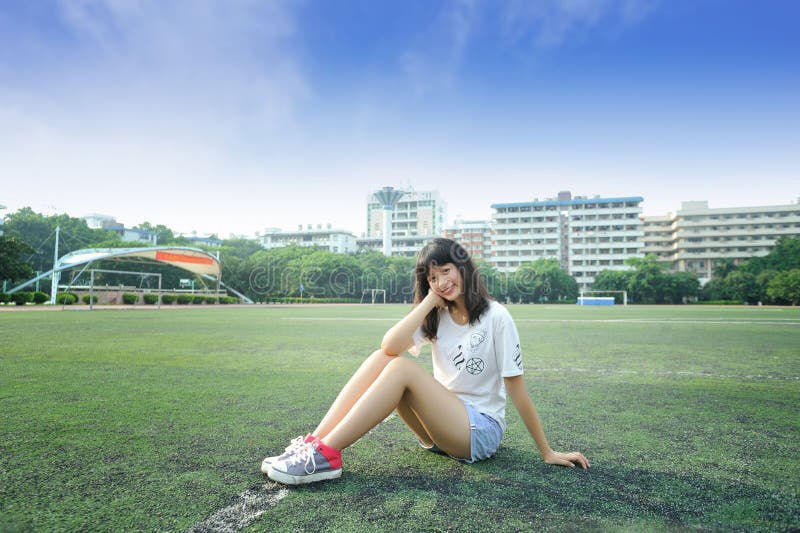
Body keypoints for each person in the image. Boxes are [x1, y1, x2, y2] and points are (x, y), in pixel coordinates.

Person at [262, 238, 589, 485]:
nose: (442, 282)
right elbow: (388, 345)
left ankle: (326, 457)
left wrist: (547, 451)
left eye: (446, 271)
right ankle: (314, 444)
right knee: (384, 359)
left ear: (463, 268)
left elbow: (516, 390)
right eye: (432, 278)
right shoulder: (438, 313)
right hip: (437, 431)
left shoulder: (496, 317)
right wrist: (429, 301)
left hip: (479, 430)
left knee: (402, 368)